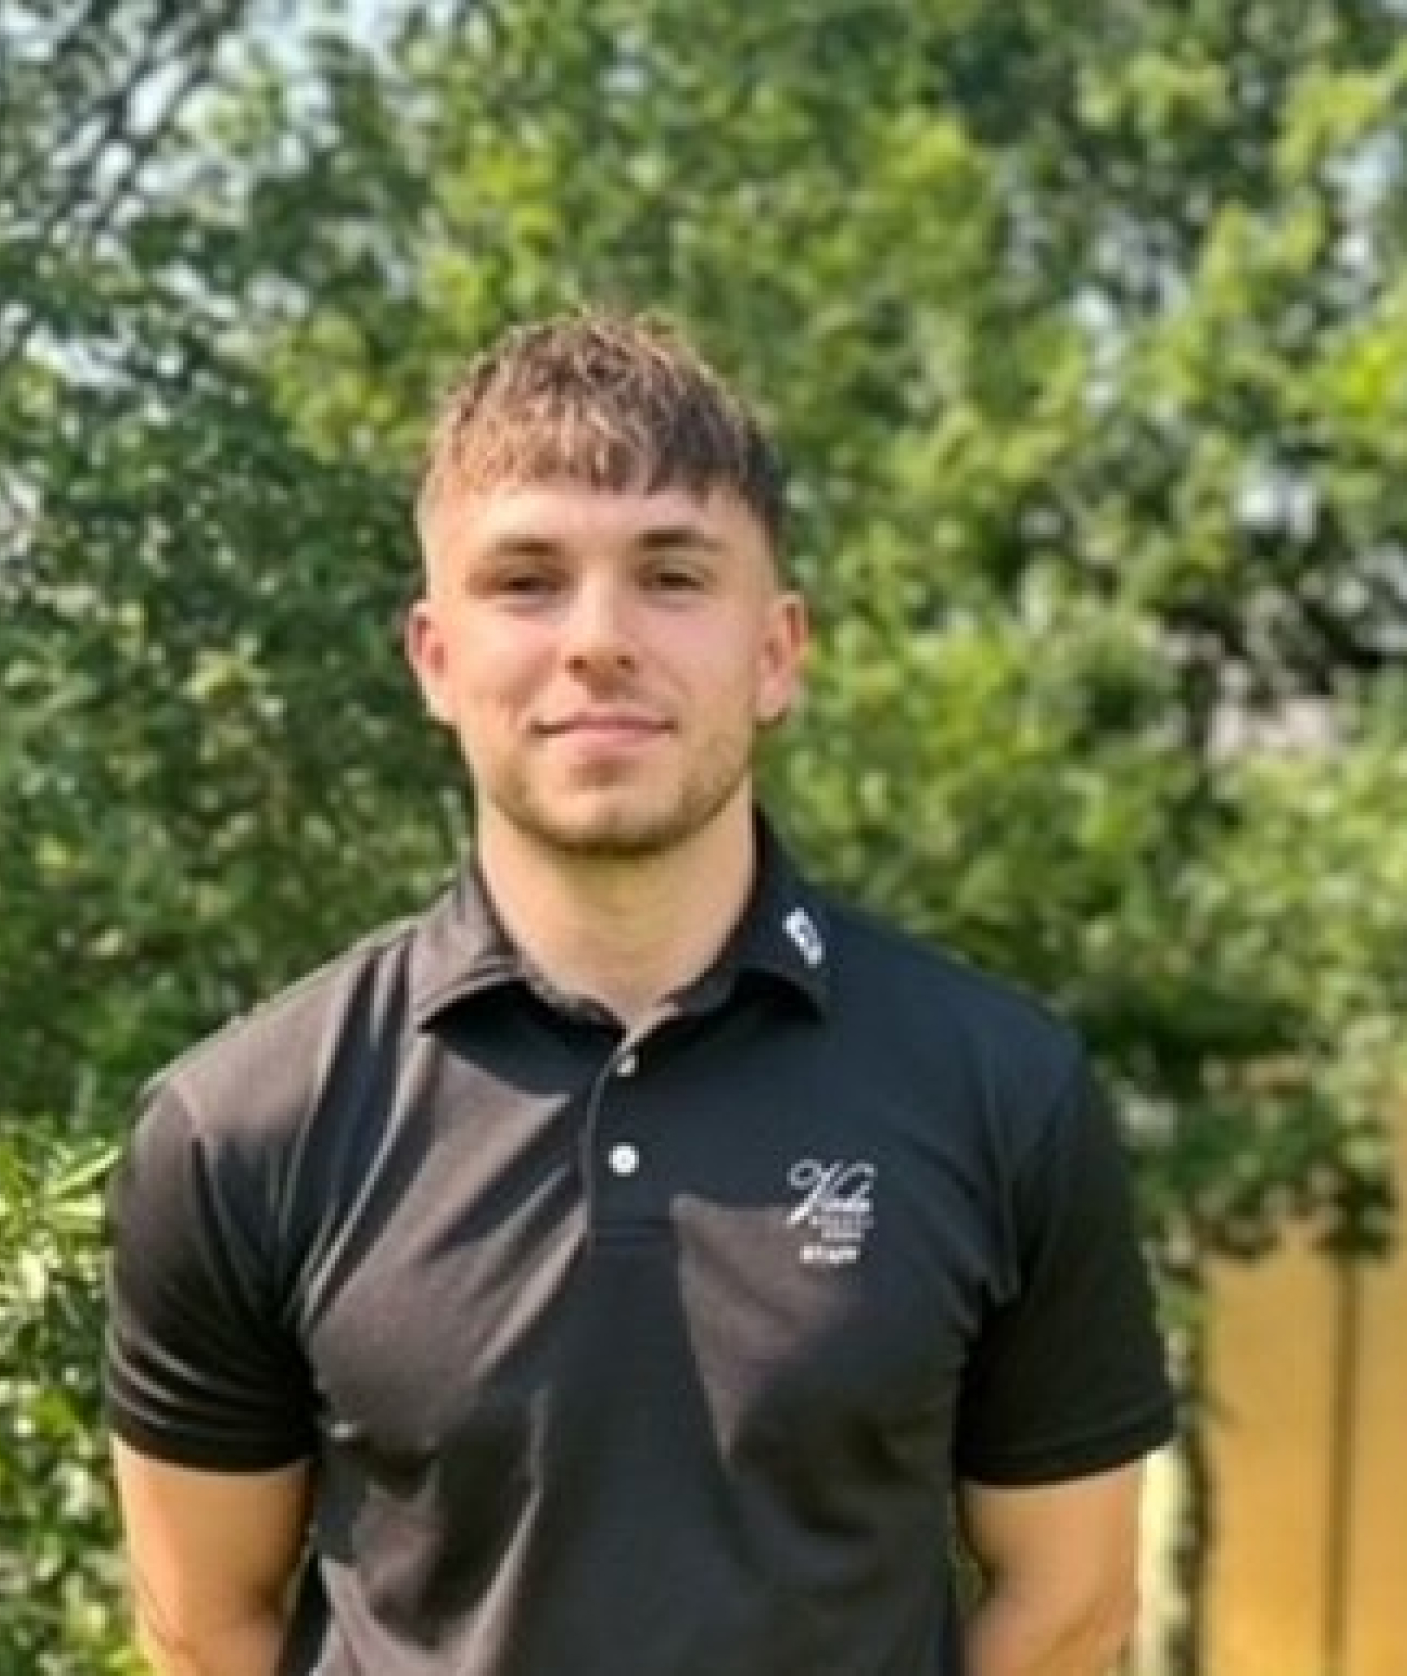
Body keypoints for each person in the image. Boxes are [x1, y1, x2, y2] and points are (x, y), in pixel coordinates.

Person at [104, 309, 1176, 1676]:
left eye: (672, 574)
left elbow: (1070, 1608)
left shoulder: (1001, 1091)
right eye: (528, 581)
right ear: (436, 658)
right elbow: (207, 1629)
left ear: (778, 650)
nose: (598, 639)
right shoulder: (237, 1128)